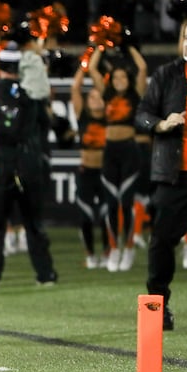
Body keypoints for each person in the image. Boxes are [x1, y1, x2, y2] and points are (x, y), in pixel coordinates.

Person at [135, 16, 187, 334]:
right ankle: (158, 306)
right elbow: (141, 115)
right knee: (162, 242)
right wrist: (162, 124)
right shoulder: (167, 75)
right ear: (180, 41)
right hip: (173, 174)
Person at [0, 42, 58, 288]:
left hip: (1, 163)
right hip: (28, 163)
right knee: (34, 222)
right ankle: (45, 274)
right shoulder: (31, 97)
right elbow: (46, 125)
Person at [88, 43, 147, 272]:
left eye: (123, 76)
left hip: (130, 150)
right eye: (116, 77)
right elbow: (92, 69)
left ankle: (129, 247)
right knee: (111, 203)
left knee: (126, 202)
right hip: (110, 151)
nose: (119, 80)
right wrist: (101, 44)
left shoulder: (135, 94)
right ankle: (114, 248)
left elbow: (142, 68)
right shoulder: (108, 93)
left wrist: (129, 44)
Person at [71, 59, 109, 269]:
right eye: (91, 97)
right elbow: (75, 87)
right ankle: (90, 254)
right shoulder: (83, 116)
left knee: (105, 216)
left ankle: (106, 252)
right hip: (86, 171)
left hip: (104, 172)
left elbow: (104, 88)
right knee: (85, 216)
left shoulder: (109, 117)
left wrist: (96, 64)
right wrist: (84, 65)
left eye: (98, 96)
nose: (95, 99)